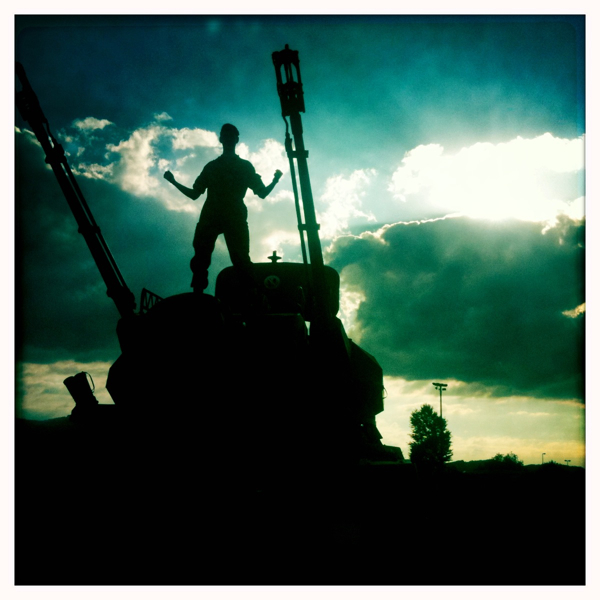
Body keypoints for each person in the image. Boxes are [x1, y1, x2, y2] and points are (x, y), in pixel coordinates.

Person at [164, 123, 282, 294]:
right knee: (203, 260)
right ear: (221, 139)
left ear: (236, 139)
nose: (227, 138)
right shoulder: (214, 167)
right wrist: (173, 182)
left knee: (239, 260)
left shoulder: (239, 166)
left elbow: (261, 193)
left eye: (230, 135)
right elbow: (195, 194)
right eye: (225, 135)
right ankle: (199, 297)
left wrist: (275, 180)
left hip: (229, 216)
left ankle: (251, 297)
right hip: (215, 216)